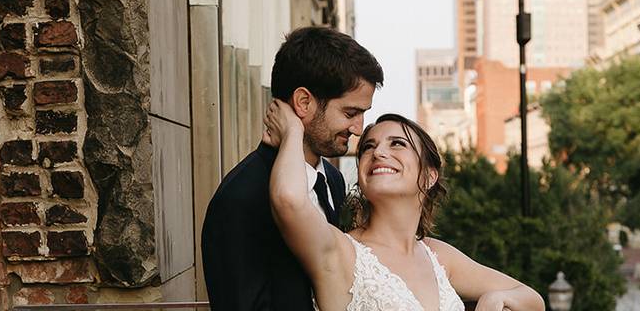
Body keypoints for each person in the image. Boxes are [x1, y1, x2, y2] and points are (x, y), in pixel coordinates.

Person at [264, 104, 545, 311]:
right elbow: (288, 200)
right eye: (368, 147)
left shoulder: (439, 256)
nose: (379, 153)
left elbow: (533, 299)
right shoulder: (341, 251)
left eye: (397, 144)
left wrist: (497, 298)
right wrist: (293, 131)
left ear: (429, 175)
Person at [201, 26, 384, 311]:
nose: (358, 129)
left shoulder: (332, 180)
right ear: (303, 102)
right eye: (350, 113)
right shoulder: (240, 197)